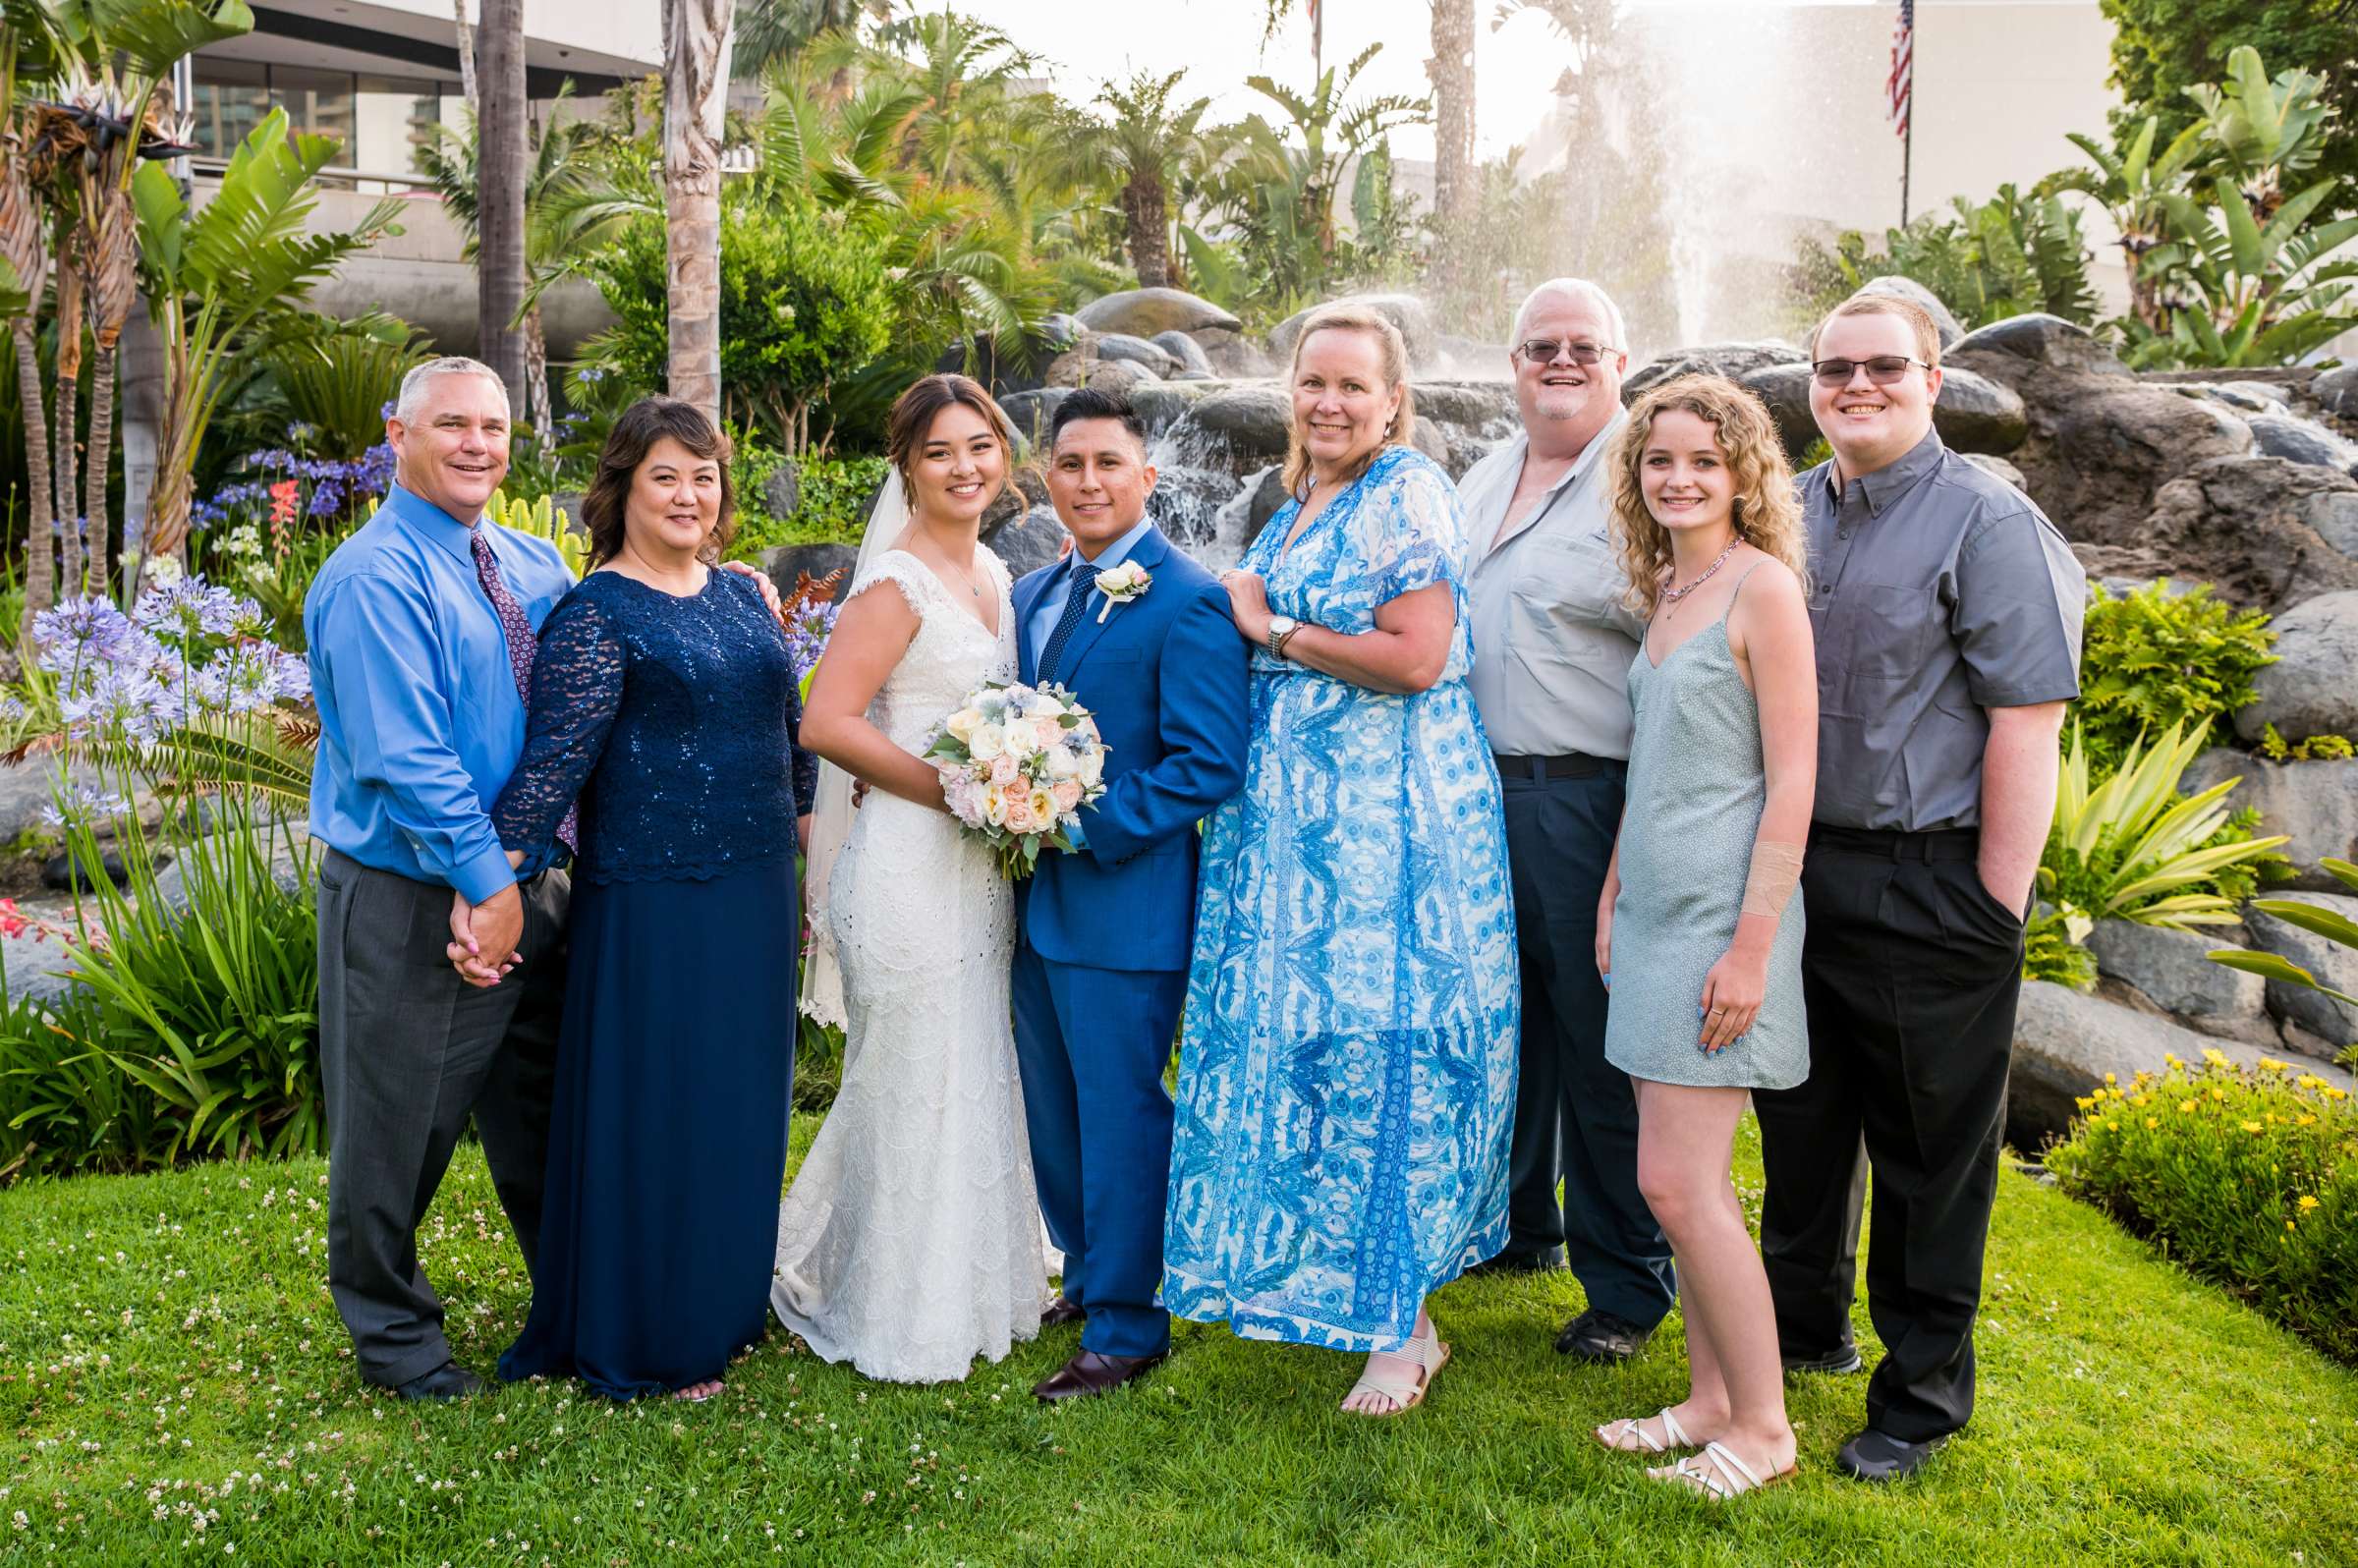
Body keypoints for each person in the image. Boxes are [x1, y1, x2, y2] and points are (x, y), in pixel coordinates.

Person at [1164, 304, 1518, 1417]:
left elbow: (1417, 660)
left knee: (1386, 1054)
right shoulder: (1304, 495)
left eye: (1352, 387)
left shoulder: (1405, 489)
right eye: (1313, 382)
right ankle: (1347, 1288)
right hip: (1303, 833)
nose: (1328, 403)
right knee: (1324, 1051)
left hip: (1386, 837)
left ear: (1393, 400)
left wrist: (1269, 629)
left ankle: (1405, 1332)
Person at [1754, 292, 2084, 1483]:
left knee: (1929, 1157)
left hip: (1930, 879)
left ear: (1933, 378)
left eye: (1884, 365)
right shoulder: (1789, 511)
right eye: (1833, 366)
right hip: (1799, 870)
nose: (1856, 384)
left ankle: (1919, 1399)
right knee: (1798, 1123)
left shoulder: (1988, 524)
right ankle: (1802, 1335)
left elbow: (2026, 721)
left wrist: (1991, 910)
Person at [477, 397, 816, 1402]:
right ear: (622, 487)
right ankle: (651, 1340)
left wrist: (809, 851)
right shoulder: (596, 615)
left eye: (704, 476)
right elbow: (550, 772)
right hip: (656, 901)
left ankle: (722, 1309)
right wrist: (491, 885)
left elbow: (786, 734)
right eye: (666, 475)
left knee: (739, 1106)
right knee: (664, 1110)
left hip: (756, 888)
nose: (688, 494)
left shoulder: (743, 595)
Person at [771, 373, 1049, 1382]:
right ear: (909, 467)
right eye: (940, 452)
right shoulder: (895, 583)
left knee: (966, 1067)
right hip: (905, 864)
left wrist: (1016, 785)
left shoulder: (997, 577)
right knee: (909, 1074)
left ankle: (976, 1284)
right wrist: (960, 790)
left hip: (977, 870)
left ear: (1002, 457)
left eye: (979, 446)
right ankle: (891, 1306)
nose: (964, 466)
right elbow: (827, 722)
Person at [307, 357, 574, 1401]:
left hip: (529, 888)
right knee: (396, 1133)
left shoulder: (529, 563)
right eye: (451, 424)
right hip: (412, 899)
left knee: (546, 1115)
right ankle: (397, 1343)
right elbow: (404, 757)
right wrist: (485, 884)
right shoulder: (377, 579)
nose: (476, 445)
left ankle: (574, 1300)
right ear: (397, 435)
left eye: (493, 427)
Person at [1591, 375, 1817, 1499]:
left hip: (1725, 925)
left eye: (1703, 463)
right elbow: (1655, 766)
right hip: (1652, 913)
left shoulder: (1762, 589)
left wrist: (1752, 943)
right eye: (1659, 460)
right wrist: (1613, 889)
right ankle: (1708, 1400)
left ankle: (1765, 1429)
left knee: (1680, 1189)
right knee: (1689, 1183)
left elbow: (1795, 777)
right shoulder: (1671, 589)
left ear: (1743, 477)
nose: (1678, 479)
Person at [1010, 387, 1251, 1402]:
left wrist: (1084, 822)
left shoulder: (1186, 598)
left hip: (1123, 901)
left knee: (1117, 1113)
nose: (1089, 481)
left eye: (1110, 463)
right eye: (1071, 464)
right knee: (1051, 1105)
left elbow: (1208, 763)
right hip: (1027, 902)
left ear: (1147, 478)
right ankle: (1086, 1264)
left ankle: (1127, 1324)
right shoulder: (1030, 595)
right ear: (1050, 478)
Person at [1453, 278, 1676, 1363]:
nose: (1562, 361)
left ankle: (1628, 1285)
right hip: (1477, 788)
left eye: (1585, 345)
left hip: (1587, 791)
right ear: (1513, 363)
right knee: (1513, 1020)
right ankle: (1520, 1224)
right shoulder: (1488, 471)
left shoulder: (1645, 484)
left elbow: (1681, 656)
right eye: (1541, 345)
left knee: (1596, 1039)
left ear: (1621, 360)